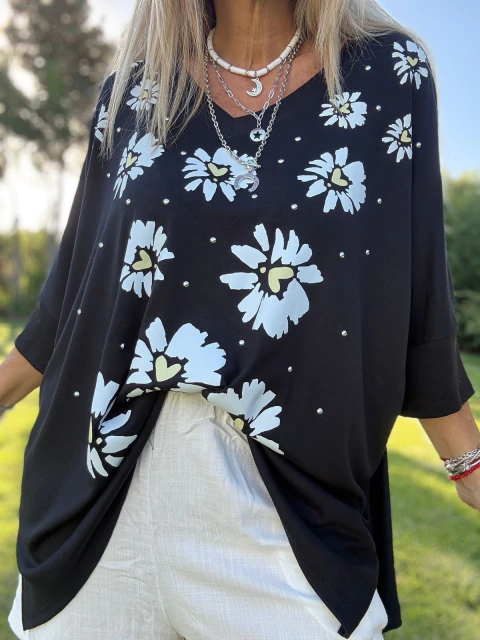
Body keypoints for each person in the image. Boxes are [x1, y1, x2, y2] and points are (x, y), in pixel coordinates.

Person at [2, 0, 479, 638]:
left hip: (289, 503)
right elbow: (73, 292)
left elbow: (415, 284)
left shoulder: (389, 74)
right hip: (98, 492)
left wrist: (468, 461)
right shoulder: (132, 93)